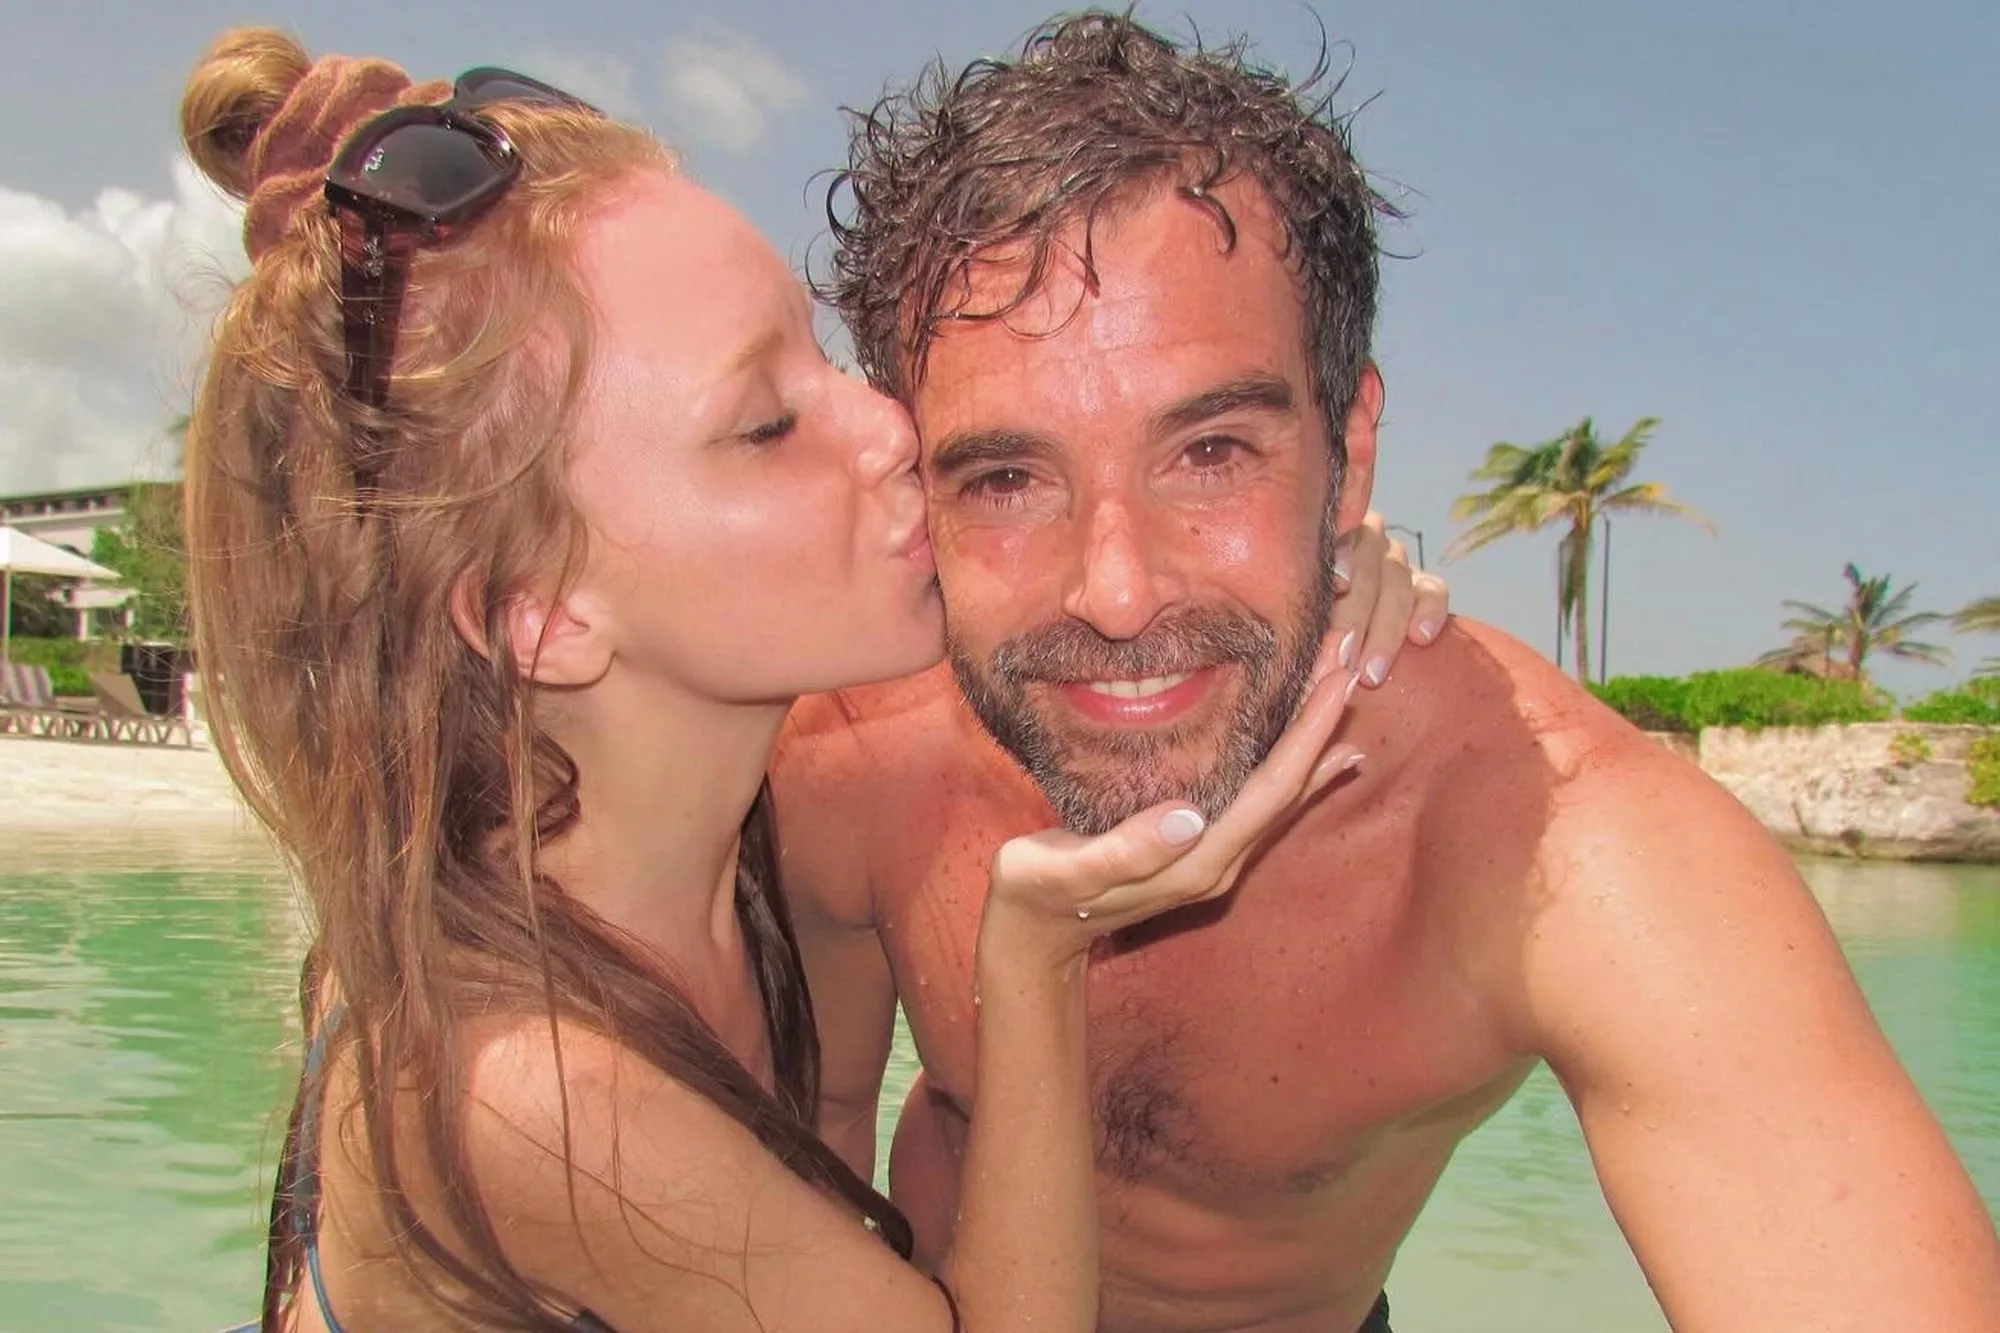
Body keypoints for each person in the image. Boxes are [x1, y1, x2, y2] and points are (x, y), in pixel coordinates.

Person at [178, 26, 1439, 1333]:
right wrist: (1035, 957)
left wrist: (1297, 549)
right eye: (768, 426)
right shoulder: (535, 1095)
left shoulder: (688, 847)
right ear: (534, 613)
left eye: (822, 358)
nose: (898, 428)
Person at [776, 12, 2000, 1333]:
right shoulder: (853, 756)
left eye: (1212, 455)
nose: (1116, 596)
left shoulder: (1556, 847)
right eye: (1009, 479)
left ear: (1349, 454)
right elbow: (820, 1158)